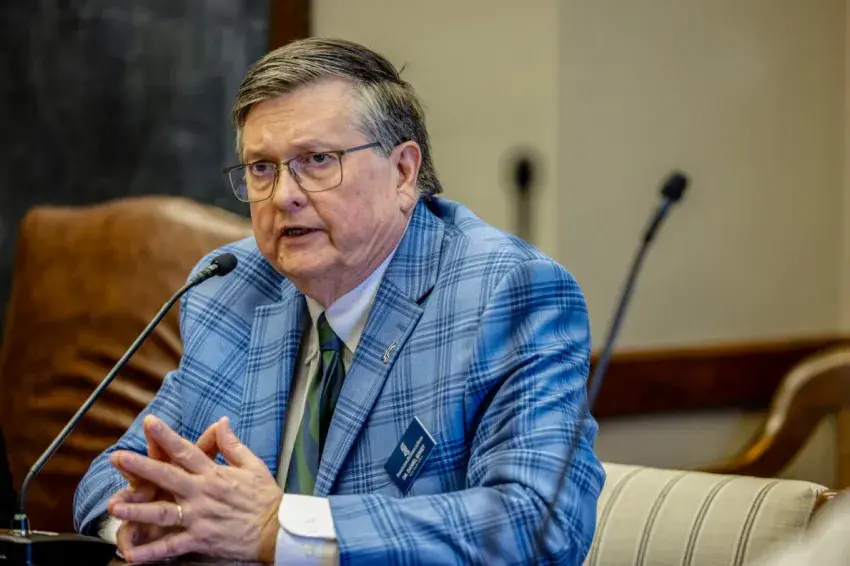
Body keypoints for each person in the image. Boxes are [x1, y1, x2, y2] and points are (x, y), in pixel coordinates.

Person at [73, 37, 604, 565]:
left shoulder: (506, 293)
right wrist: (149, 520)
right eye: (262, 168)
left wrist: (278, 529)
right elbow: (110, 477)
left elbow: (541, 523)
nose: (284, 195)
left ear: (403, 172)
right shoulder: (228, 288)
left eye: (317, 160)